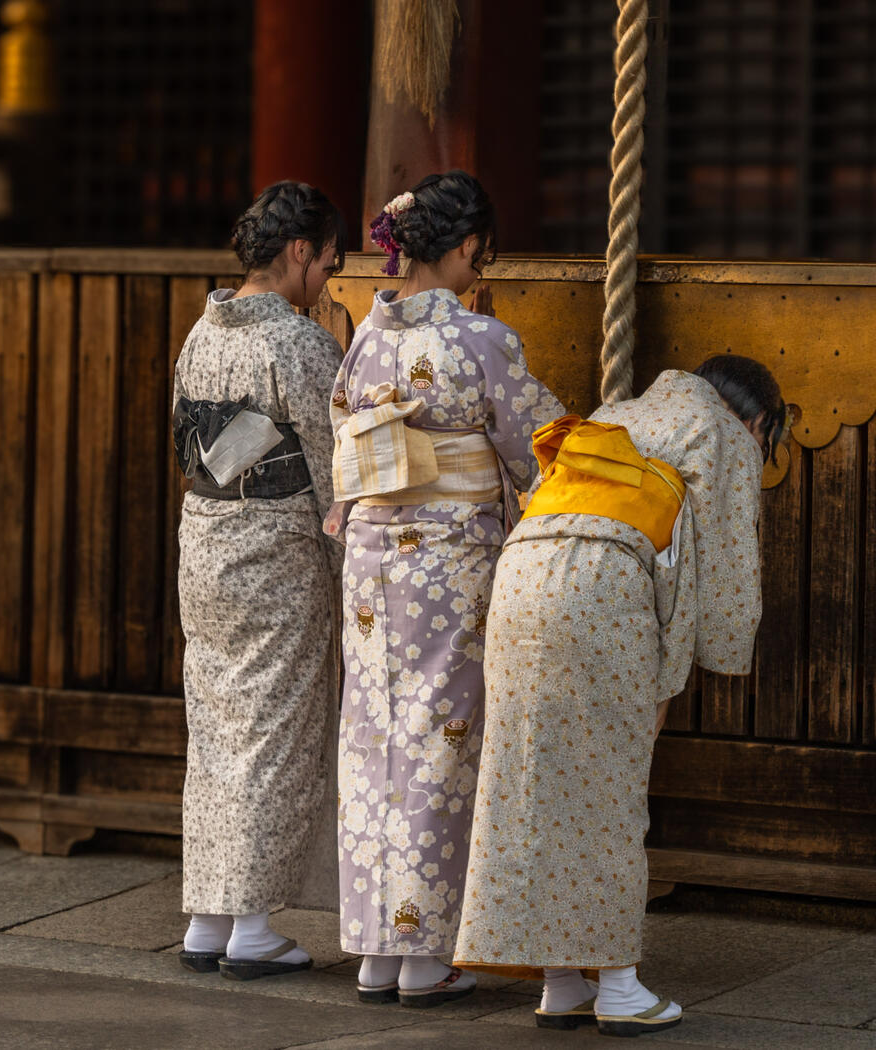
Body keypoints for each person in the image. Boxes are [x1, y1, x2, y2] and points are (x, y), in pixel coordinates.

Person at [452, 355, 789, 1037]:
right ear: (758, 421)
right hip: (600, 591)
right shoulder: (723, 432)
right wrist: (721, 654)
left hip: (519, 578)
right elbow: (725, 572)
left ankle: (561, 983)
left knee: (530, 782)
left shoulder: (619, 412)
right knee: (606, 788)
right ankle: (619, 987)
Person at [332, 171, 565, 1007]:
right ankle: (424, 951)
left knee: (371, 733)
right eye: (480, 253)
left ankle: (373, 949)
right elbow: (533, 440)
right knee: (443, 734)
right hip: (449, 556)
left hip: (368, 551)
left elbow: (343, 425)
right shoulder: (480, 340)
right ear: (467, 249)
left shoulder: (367, 334)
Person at [172, 181, 347, 981]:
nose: (328, 281)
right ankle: (250, 924)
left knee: (215, 728)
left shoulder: (200, 333)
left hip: (204, 539)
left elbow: (191, 442)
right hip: (275, 549)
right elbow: (335, 462)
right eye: (329, 262)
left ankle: (208, 918)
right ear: (300, 252)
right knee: (273, 730)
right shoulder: (299, 345)